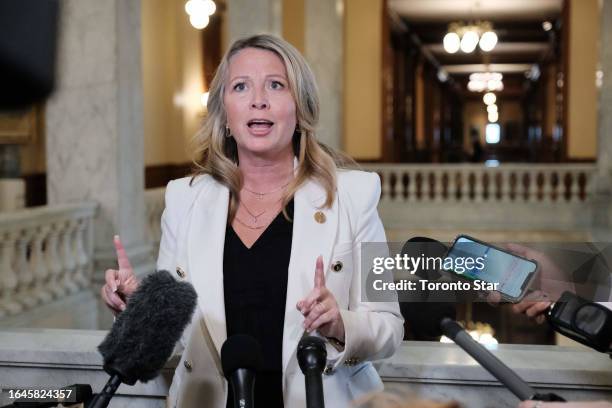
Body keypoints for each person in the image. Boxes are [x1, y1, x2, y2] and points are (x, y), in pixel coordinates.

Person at [100, 34, 404, 408]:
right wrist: (135, 310)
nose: (258, 99)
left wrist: (340, 324)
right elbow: (178, 341)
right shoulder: (183, 200)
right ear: (225, 114)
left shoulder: (357, 196)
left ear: (300, 109)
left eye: (276, 85)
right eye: (241, 86)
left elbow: (390, 326)